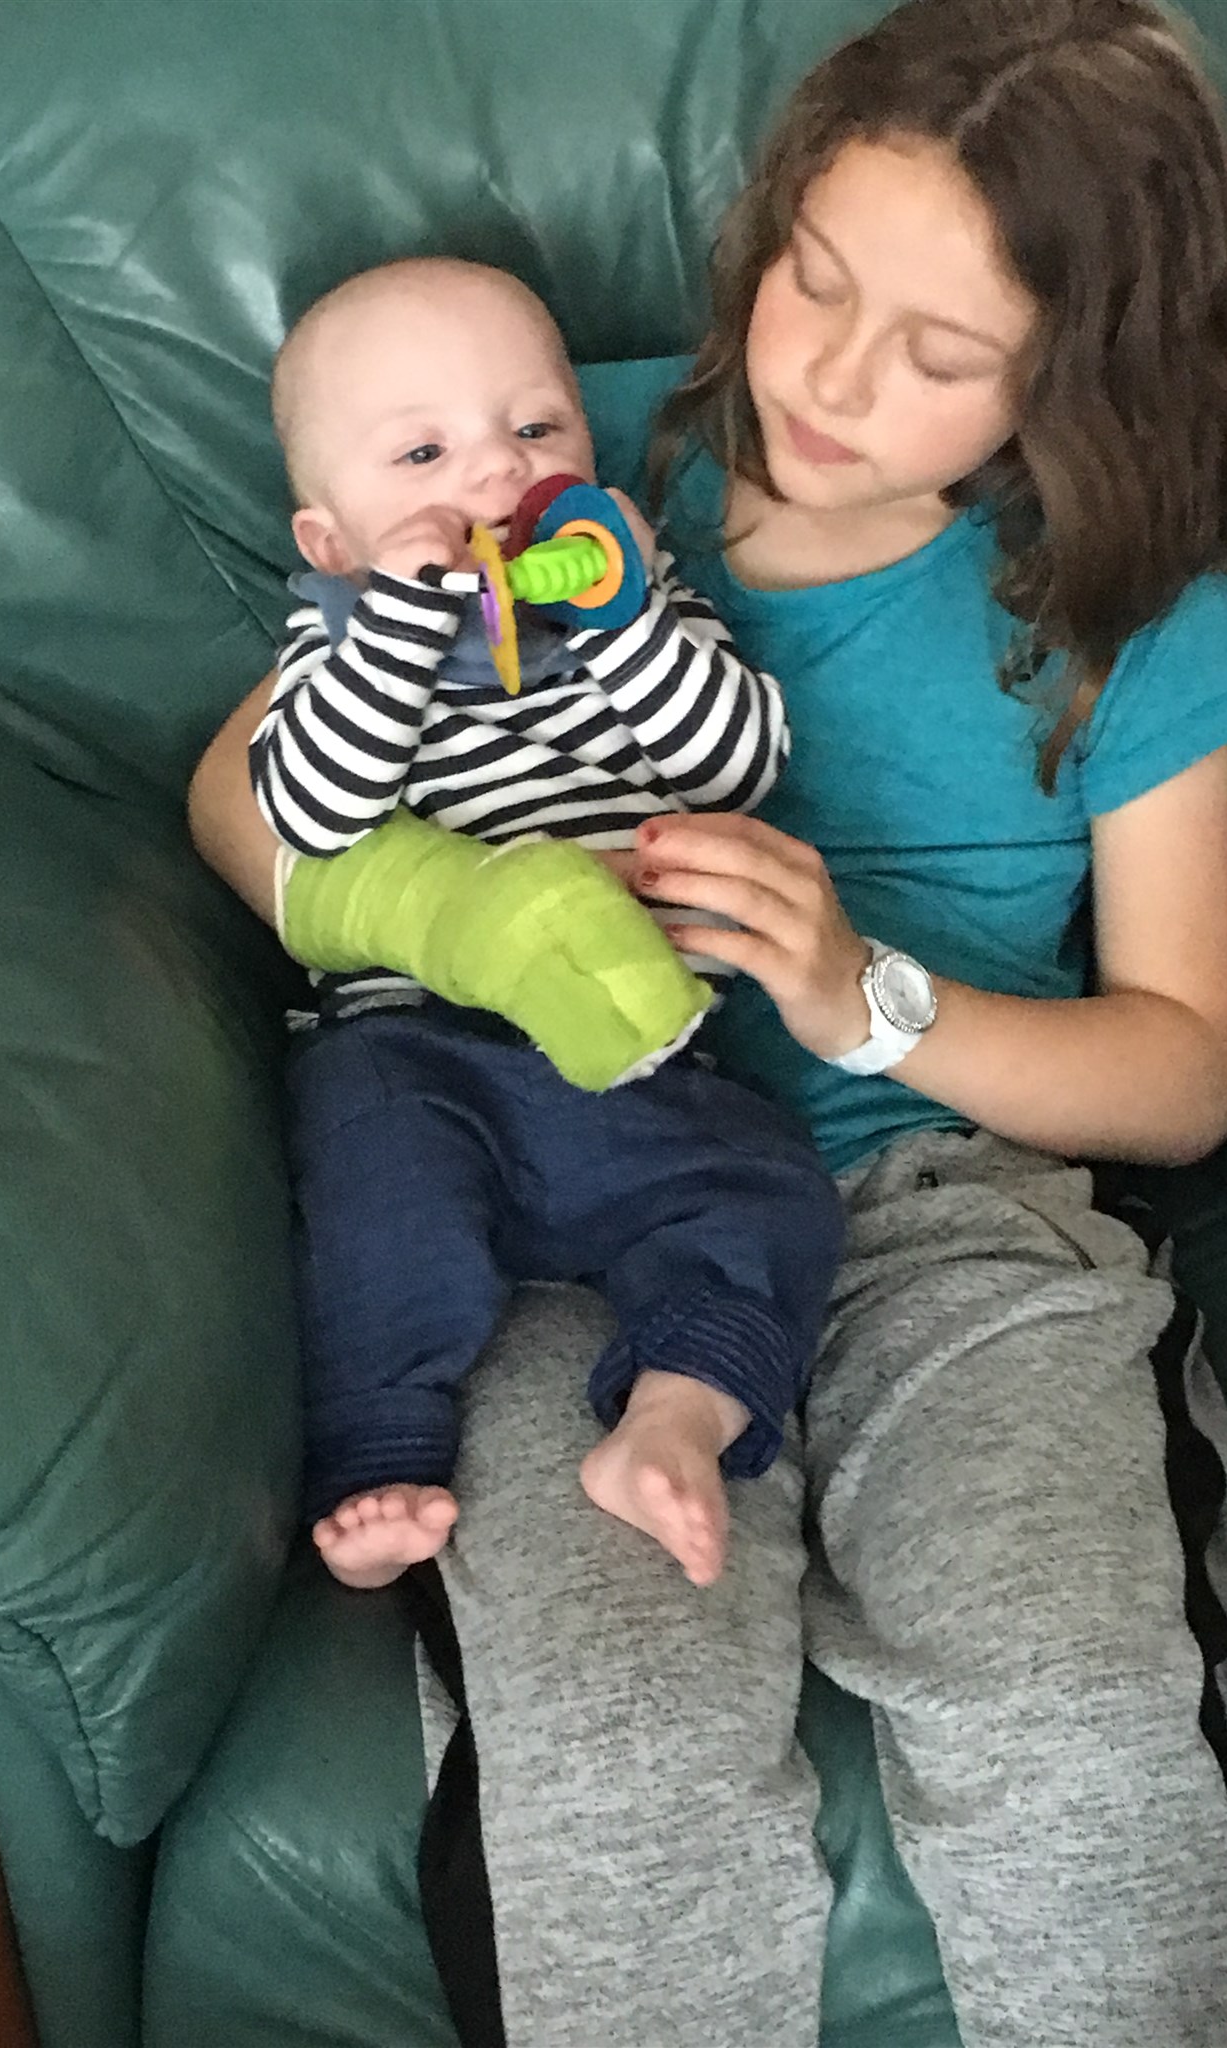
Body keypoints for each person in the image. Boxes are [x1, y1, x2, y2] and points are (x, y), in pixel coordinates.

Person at [187, 0, 1227, 2041]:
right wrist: (464, 913)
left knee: (1067, 1703)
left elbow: (1184, 1068)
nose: (828, 377)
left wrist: (860, 995)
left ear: (1081, 376)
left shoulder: (1133, 621)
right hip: (556, 1205)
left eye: (942, 354)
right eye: (814, 278)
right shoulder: (542, 449)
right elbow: (233, 794)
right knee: (614, 1743)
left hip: (942, 1214)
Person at [251, 255, 845, 1592]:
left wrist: (626, 621)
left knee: (772, 1192)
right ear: (331, 541)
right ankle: (381, 1454)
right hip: (421, 1053)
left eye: (536, 427)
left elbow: (736, 763)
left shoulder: (636, 611)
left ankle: (676, 1413)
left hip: (640, 1063)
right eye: (422, 453)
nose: (494, 472)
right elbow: (313, 813)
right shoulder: (335, 643)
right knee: (367, 1203)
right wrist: (399, 630)